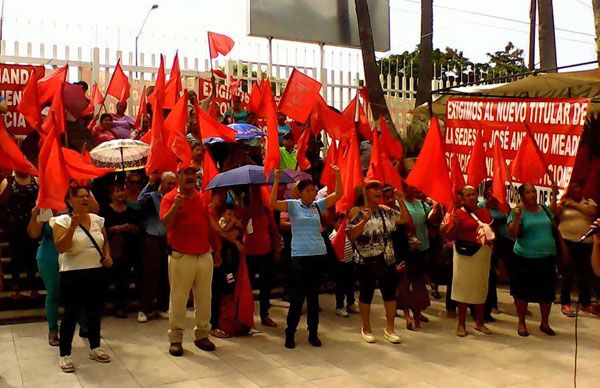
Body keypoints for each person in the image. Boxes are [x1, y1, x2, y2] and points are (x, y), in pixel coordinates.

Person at [269, 166, 342, 349]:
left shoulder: (317, 206)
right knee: (297, 297)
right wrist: (276, 181)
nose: (311, 193)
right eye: (308, 190)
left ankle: (313, 333)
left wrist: (338, 175)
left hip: (317, 254)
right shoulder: (293, 205)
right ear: (300, 192)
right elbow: (273, 203)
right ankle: (290, 332)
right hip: (299, 256)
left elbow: (338, 195)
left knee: (313, 297)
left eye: (313, 190)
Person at [160, 164, 222, 357]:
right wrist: (176, 206)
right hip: (182, 256)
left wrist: (217, 248)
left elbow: (208, 225)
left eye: (193, 173)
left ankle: (202, 334)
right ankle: (176, 339)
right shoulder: (169, 198)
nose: (190, 176)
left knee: (205, 298)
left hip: (204, 255)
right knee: (178, 300)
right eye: (186, 172)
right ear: (178, 175)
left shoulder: (202, 197)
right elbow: (165, 224)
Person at [52, 185, 113, 373]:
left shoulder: (96, 220)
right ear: (70, 200)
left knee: (94, 311)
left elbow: (104, 242)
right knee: (71, 314)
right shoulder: (61, 221)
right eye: (79, 196)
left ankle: (95, 347)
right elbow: (61, 248)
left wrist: (108, 256)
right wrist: (72, 227)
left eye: (87, 196)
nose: (85, 199)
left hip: (95, 271)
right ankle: (65, 354)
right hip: (72, 273)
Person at [347, 181, 410, 344]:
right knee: (366, 294)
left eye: (379, 189)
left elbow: (404, 220)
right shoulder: (356, 211)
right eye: (374, 188)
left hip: (386, 258)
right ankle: (366, 328)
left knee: (389, 294)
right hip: (365, 260)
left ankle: (390, 329)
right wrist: (363, 220)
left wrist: (401, 201)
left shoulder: (386, 210)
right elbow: (352, 235)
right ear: (365, 192)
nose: (378, 191)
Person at [440, 186, 495, 337]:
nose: (472, 197)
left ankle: (480, 322)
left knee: (480, 287)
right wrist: (455, 224)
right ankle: (461, 324)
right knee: (463, 288)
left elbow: (490, 230)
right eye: (468, 195)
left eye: (473, 194)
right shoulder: (457, 213)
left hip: (482, 254)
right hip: (464, 254)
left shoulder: (484, 212)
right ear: (462, 199)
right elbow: (449, 236)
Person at [507, 183, 558, 337]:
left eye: (534, 191)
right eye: (528, 192)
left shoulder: (544, 209)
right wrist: (516, 217)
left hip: (547, 257)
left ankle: (545, 323)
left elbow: (554, 221)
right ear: (521, 196)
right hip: (524, 258)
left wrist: (555, 197)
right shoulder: (517, 211)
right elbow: (513, 233)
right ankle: (522, 322)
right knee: (522, 292)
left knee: (547, 292)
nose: (533, 195)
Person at [552, 180, 599, 316]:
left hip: (585, 243)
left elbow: (592, 213)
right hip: (567, 242)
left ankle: (585, 303)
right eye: (572, 188)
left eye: (577, 187)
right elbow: (554, 211)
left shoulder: (588, 202)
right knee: (568, 272)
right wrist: (555, 197)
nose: (575, 190)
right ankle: (565, 302)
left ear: (582, 189)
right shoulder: (564, 202)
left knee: (585, 273)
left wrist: (574, 205)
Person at [137, 172, 178, 323]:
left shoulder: (176, 198)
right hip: (152, 238)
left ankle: (162, 306)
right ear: (162, 182)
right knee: (150, 274)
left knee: (166, 274)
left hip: (168, 240)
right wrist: (150, 183)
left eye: (174, 184)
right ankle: (144, 308)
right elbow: (138, 202)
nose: (172, 187)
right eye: (169, 183)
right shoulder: (151, 196)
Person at [243, 185, 282, 327]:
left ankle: (265, 315)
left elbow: (274, 231)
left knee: (266, 286)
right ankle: (246, 317)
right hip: (248, 254)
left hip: (266, 253)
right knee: (248, 287)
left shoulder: (267, 211)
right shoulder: (244, 212)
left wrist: (277, 249)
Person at [101, 183, 141, 319]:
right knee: (110, 276)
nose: (121, 193)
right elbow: (102, 228)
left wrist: (130, 227)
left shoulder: (131, 210)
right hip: (111, 247)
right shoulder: (105, 210)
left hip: (128, 248)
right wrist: (116, 228)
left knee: (125, 278)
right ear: (111, 194)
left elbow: (138, 227)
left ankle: (121, 306)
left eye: (122, 190)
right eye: (117, 191)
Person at [0, 171, 39, 299]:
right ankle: (16, 287)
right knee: (15, 256)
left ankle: (33, 287)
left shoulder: (35, 180)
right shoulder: (8, 181)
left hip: (32, 223)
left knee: (32, 255)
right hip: (13, 225)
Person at [479, 180, 514, 321]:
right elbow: (483, 223)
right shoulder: (481, 205)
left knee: (514, 270)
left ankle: (518, 300)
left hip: (507, 241)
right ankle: (492, 303)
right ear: (487, 191)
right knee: (491, 272)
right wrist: (486, 209)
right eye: (493, 189)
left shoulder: (503, 205)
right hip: (492, 241)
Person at [330, 213, 357, 318]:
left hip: (349, 262)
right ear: (334, 223)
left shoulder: (347, 234)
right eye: (340, 223)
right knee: (340, 286)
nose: (342, 225)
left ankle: (351, 303)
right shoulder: (333, 236)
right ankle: (339, 306)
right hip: (339, 265)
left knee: (350, 284)